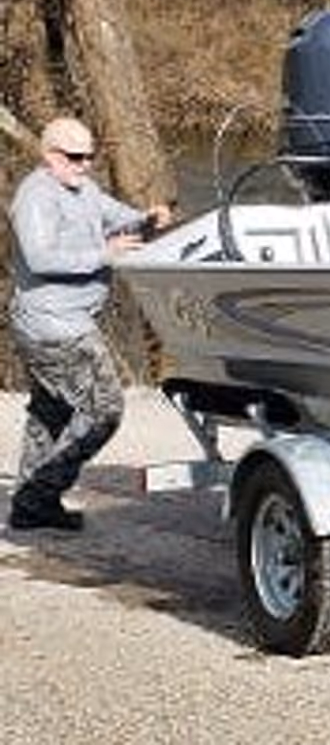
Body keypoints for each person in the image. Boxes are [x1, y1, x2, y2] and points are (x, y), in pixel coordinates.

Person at [7, 117, 171, 531]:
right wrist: (104, 252)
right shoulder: (35, 197)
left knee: (53, 409)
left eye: (90, 157)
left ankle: (31, 508)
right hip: (52, 326)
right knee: (104, 410)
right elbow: (42, 257)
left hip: (70, 321)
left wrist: (146, 220)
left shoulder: (85, 189)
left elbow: (118, 220)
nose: (85, 165)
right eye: (76, 158)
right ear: (49, 156)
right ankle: (37, 494)